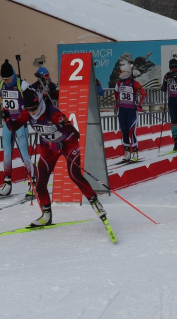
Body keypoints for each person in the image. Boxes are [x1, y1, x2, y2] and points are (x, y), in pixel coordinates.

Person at [6, 87, 106, 228]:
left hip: (68, 144)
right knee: (40, 182)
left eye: (34, 108)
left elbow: (75, 134)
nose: (33, 112)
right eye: (29, 109)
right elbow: (14, 127)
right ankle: (46, 216)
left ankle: (96, 204)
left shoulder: (53, 113)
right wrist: (6, 118)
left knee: (74, 174)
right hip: (49, 148)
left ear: (39, 102)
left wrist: (59, 143)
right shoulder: (28, 113)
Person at [0, 60, 34, 199]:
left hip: (19, 123)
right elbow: (2, 94)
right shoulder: (2, 84)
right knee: (6, 154)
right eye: (4, 79)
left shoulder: (21, 84)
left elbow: (31, 99)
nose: (6, 81)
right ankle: (7, 184)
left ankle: (32, 182)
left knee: (24, 154)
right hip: (7, 123)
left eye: (8, 78)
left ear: (13, 74)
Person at [114, 56, 147, 161]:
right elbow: (115, 92)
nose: (119, 73)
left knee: (131, 132)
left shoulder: (133, 83)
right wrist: (116, 102)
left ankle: (135, 153)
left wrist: (140, 105)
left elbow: (144, 93)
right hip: (122, 110)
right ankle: (127, 152)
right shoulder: (119, 83)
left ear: (126, 72)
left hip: (132, 111)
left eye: (121, 71)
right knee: (124, 131)